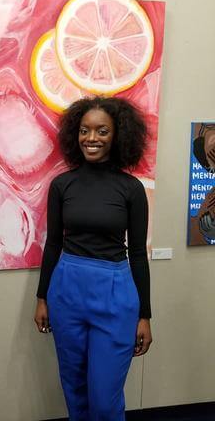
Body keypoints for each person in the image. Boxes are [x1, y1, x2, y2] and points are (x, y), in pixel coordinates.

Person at [34, 96, 152, 421]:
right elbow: (53, 243)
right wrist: (42, 297)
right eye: (85, 130)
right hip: (66, 292)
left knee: (104, 399)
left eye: (102, 131)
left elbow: (139, 254)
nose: (92, 138)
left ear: (118, 136)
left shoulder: (131, 189)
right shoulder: (62, 185)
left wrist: (145, 315)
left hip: (115, 296)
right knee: (75, 391)